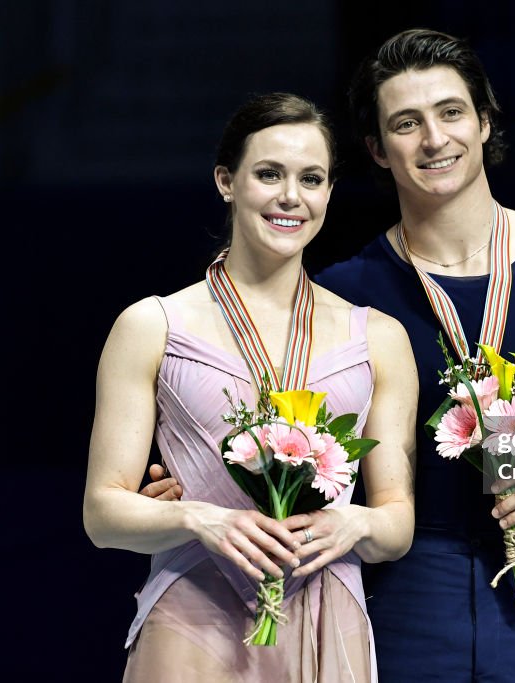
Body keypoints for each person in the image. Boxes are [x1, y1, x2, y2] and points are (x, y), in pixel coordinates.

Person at [146, 29, 515, 681]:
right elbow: (284, 434)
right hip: (401, 612)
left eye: (451, 112)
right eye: (406, 124)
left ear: (486, 122)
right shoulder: (347, 294)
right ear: (378, 151)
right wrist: (198, 483)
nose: (435, 139)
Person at [84, 92, 417, 682]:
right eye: (269, 174)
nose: (291, 196)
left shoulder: (379, 338)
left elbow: (396, 524)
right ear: (226, 181)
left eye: (311, 178)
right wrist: (199, 519)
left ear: (329, 194)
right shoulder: (153, 325)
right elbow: (102, 514)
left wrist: (355, 523)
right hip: (194, 611)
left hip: (327, 612)